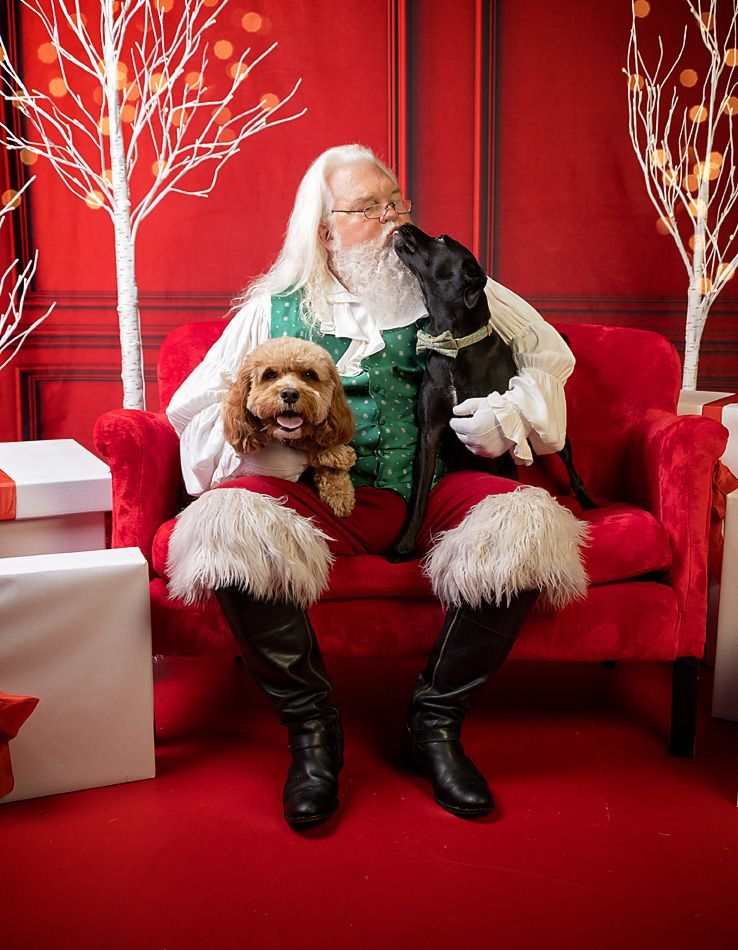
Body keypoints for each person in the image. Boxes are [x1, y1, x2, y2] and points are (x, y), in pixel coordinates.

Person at [166, 144, 588, 829]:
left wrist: (508, 415)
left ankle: (435, 725)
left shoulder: (452, 286)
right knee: (226, 525)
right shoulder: (275, 310)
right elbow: (192, 409)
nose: (394, 220)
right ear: (325, 229)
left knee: (528, 526)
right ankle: (313, 736)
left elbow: (549, 353)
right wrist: (265, 435)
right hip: (320, 497)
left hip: (436, 491)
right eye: (369, 208)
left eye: (396, 203)